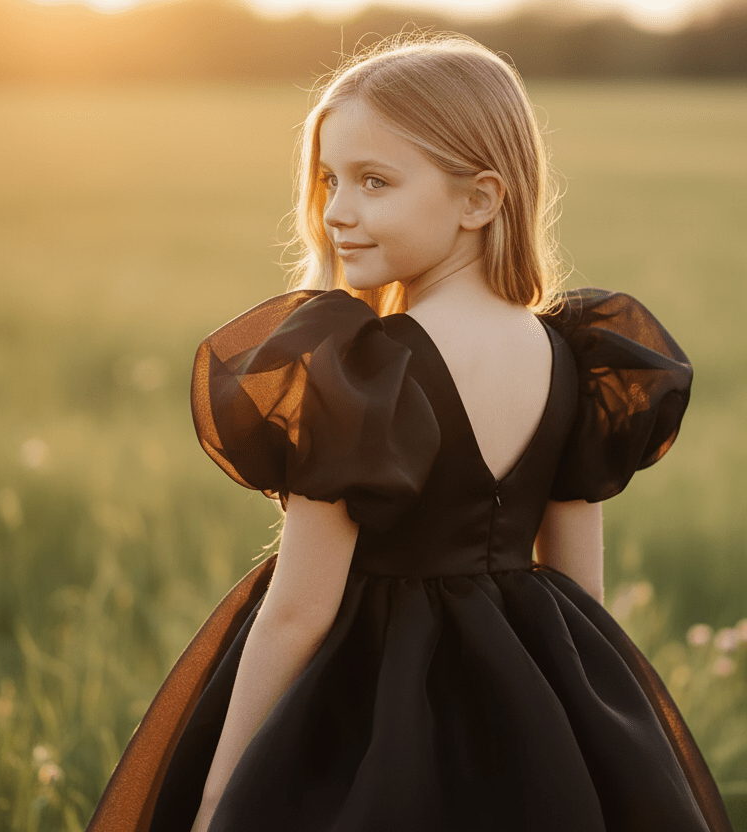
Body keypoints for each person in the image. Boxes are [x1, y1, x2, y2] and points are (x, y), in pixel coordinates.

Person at [86, 33, 734, 832]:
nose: (338, 211)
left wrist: (219, 795)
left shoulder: (364, 370)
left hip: (371, 714)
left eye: (374, 181)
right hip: (534, 728)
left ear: (480, 199)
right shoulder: (577, 357)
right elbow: (579, 594)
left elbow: (300, 611)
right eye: (329, 180)